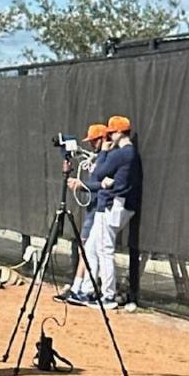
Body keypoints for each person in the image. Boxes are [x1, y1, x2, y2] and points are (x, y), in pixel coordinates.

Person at [68, 114, 142, 309]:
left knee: (104, 251)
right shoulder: (127, 153)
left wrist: (103, 154)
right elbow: (101, 178)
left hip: (112, 206)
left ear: (119, 132)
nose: (109, 138)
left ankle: (108, 295)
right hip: (112, 205)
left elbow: (98, 173)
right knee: (92, 249)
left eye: (111, 133)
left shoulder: (121, 153)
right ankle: (87, 290)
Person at [55, 123, 110, 303]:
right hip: (92, 209)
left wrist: (82, 185)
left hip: (98, 211)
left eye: (94, 141)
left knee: (86, 250)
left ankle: (83, 288)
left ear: (103, 138)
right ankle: (79, 286)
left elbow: (102, 184)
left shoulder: (106, 158)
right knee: (85, 250)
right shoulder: (98, 157)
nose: (91, 145)